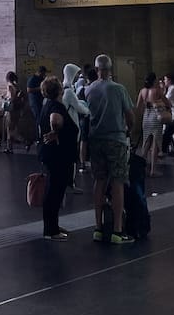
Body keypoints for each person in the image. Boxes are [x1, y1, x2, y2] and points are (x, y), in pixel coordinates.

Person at [86, 54, 135, 245]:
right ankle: (117, 230)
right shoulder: (118, 89)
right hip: (116, 139)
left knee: (99, 181)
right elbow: (130, 117)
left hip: (96, 140)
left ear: (97, 69)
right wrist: (128, 131)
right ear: (111, 69)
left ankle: (98, 227)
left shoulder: (89, 89)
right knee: (117, 182)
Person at [40, 76, 78, 240]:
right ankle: (51, 230)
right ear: (59, 90)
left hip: (52, 154)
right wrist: (56, 131)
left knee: (53, 190)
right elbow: (55, 119)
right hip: (58, 155)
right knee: (55, 191)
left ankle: (52, 225)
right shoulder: (56, 106)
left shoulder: (47, 104)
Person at [61, 63, 90, 185]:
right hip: (72, 126)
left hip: (67, 125)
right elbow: (79, 108)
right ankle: (70, 183)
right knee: (71, 157)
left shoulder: (64, 89)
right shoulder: (69, 92)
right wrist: (88, 109)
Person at [137, 72, 169, 178]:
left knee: (146, 142)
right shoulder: (157, 91)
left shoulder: (142, 91)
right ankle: (153, 170)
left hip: (146, 117)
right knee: (155, 142)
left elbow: (138, 107)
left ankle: (141, 168)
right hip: (156, 116)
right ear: (154, 80)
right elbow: (168, 102)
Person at [26, 66, 47, 141]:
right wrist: (39, 88)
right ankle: (38, 137)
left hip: (41, 102)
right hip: (35, 102)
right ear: (39, 72)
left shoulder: (41, 79)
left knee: (41, 119)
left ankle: (41, 136)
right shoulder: (32, 79)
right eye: (42, 73)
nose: (43, 75)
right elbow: (29, 90)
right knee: (38, 119)